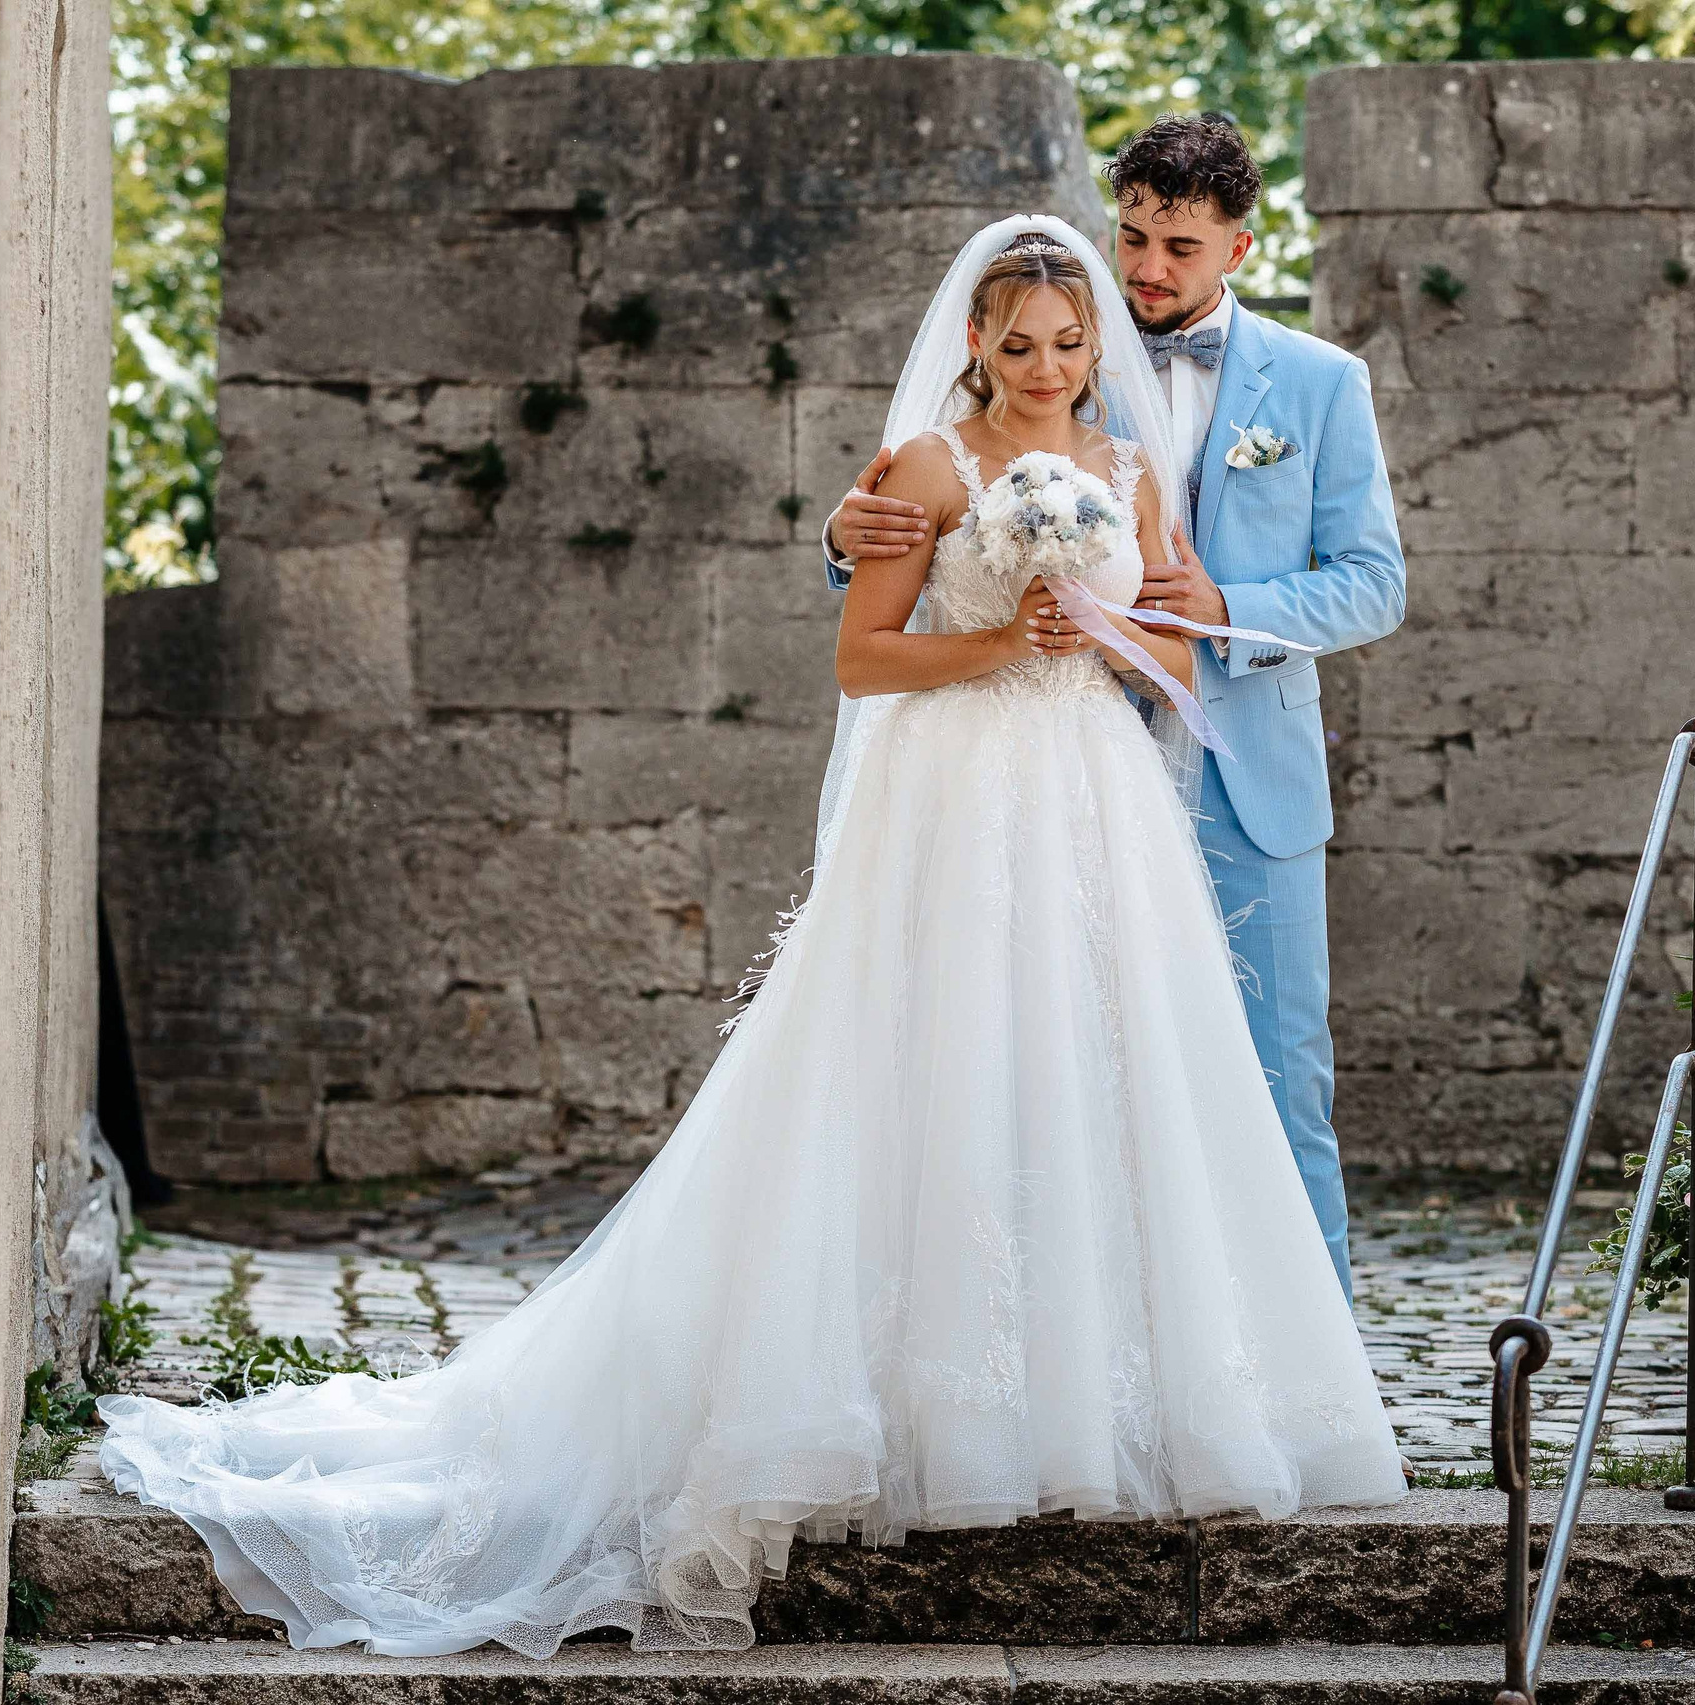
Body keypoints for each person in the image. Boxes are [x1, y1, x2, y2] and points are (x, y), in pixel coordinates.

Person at [95, 214, 1405, 1663]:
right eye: (1019, 342)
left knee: (1105, 1075)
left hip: (1094, 800)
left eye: (1069, 341)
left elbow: (1165, 639)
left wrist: (1100, 626)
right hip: (960, 793)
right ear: (975, 343)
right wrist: (1003, 640)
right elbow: (865, 659)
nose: (1047, 366)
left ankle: (1094, 1405)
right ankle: (912, 1408)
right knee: (939, 1064)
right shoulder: (923, 468)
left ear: (1097, 346)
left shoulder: (1133, 472)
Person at [826, 114, 1407, 1296]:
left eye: (1180, 247)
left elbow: (1374, 583)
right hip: (1053, 778)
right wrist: (841, 540)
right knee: (1066, 1080)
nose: (1147, 268)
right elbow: (935, 506)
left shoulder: (1320, 383)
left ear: (1240, 247)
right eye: (1133, 236)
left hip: (1246, 775)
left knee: (1278, 1081)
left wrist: (1229, 604)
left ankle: (1322, 1373)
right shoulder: (1061, 354)